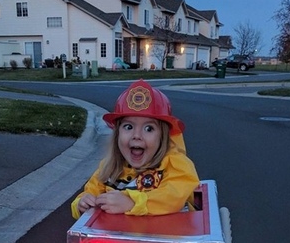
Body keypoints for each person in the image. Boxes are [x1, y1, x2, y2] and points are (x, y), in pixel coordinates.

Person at [71, 80, 200, 218]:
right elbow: (90, 191)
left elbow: (174, 195)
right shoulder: (109, 168)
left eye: (149, 129)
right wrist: (82, 204)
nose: (137, 136)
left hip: (168, 236)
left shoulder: (175, 164)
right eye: (128, 127)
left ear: (163, 136)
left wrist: (132, 202)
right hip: (120, 237)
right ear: (117, 134)